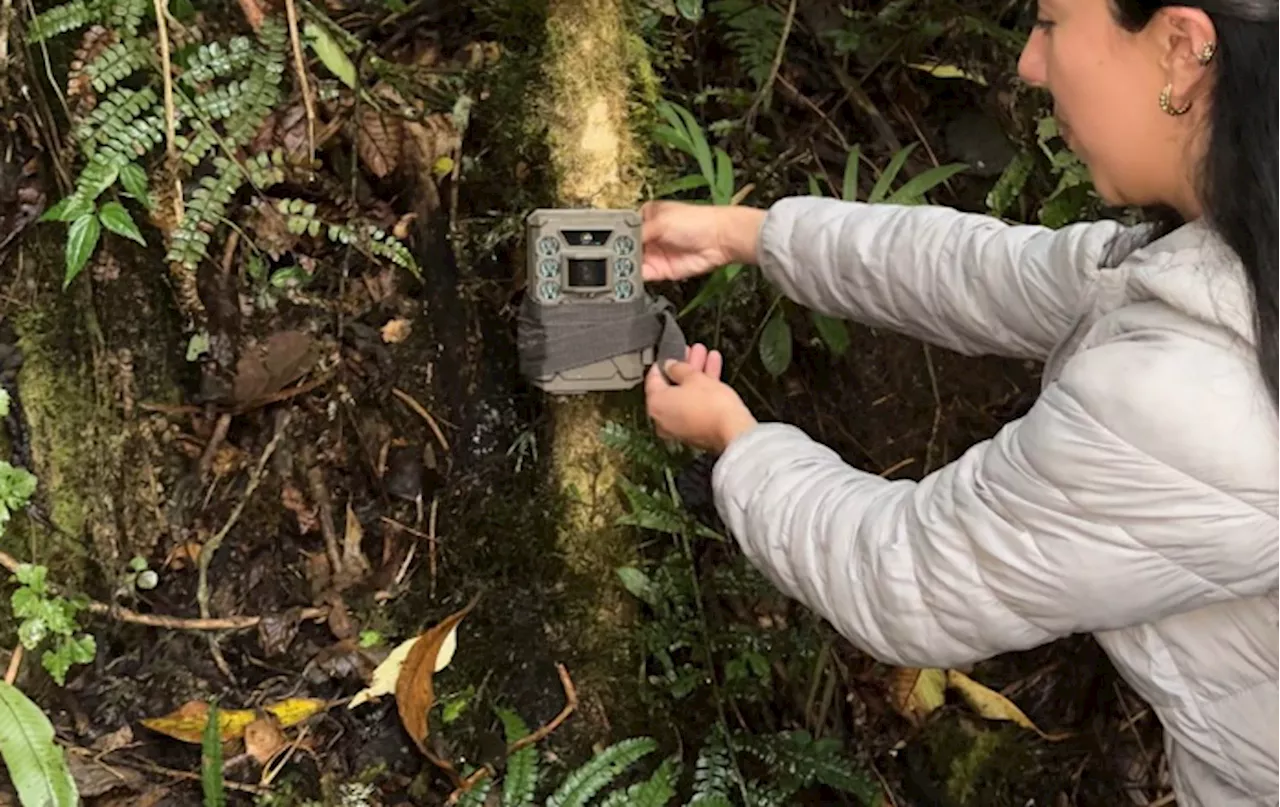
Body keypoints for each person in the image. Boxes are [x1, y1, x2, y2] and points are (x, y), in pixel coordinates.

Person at [639, 0, 1280, 804]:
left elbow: (906, 576)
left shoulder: (1188, 397)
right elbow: (988, 273)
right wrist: (752, 235)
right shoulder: (1232, 256)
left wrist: (736, 439)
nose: (1029, 65)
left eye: (1051, 24)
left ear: (1181, 47)